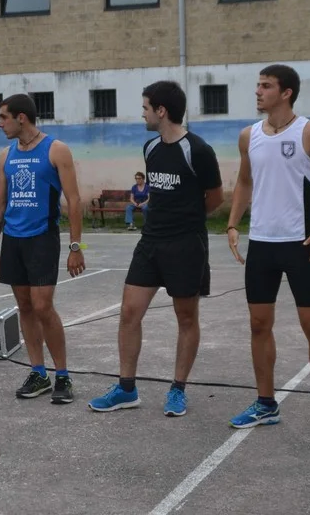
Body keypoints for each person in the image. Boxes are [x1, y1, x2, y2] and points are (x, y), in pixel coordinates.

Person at [225, 64, 310, 440]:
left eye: (266, 86)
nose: (258, 91)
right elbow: (245, 181)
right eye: (258, 85)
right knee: (258, 324)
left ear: (286, 93)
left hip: (302, 244)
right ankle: (266, 403)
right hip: (262, 244)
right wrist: (233, 224)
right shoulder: (249, 136)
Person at [89, 81, 223, 417]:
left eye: (146, 107)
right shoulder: (150, 148)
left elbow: (215, 198)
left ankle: (178, 389)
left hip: (186, 245)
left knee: (186, 318)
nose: (143, 114)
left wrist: (186, 220)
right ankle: (126, 389)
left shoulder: (198, 150)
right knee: (129, 312)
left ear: (161, 111)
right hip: (150, 243)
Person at [0, 93, 85, 404]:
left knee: (43, 307)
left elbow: (74, 201)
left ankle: (63, 375)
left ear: (21, 118)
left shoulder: (56, 149)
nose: (0, 124)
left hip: (42, 237)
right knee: (25, 306)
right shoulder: (6, 154)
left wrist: (75, 246)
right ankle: (39, 372)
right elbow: (0, 202)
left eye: (3, 117)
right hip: (13, 239)